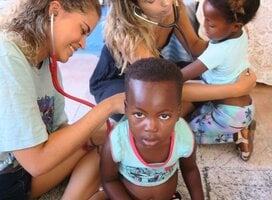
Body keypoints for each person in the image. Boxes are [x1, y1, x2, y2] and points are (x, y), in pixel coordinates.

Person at [0, 0, 124, 199]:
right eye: (83, 30)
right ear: (55, 11)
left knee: (108, 137)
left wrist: (96, 134)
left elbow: (59, 132)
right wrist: (108, 106)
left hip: (22, 177)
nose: (83, 44)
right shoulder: (6, 57)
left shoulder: (48, 63)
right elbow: (36, 162)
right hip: (8, 181)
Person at [89, 0, 256, 122]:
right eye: (151, 1)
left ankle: (185, 112)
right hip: (118, 81)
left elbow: (195, 45)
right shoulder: (128, 33)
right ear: (133, 4)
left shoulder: (174, 7)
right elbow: (163, 87)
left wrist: (227, 43)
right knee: (154, 106)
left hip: (157, 70)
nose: (166, 4)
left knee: (211, 75)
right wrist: (235, 89)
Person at [100, 57, 204, 200]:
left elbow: (190, 170)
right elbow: (109, 180)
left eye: (164, 116)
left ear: (178, 112)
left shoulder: (183, 136)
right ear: (126, 108)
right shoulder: (117, 142)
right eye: (139, 114)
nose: (151, 127)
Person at [180, 0, 260, 161]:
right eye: (205, 19)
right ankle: (243, 125)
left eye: (212, 24)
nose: (205, 26)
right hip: (241, 107)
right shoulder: (241, 33)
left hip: (230, 114)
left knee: (185, 135)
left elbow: (180, 76)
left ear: (236, 25)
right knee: (192, 113)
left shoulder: (218, 52)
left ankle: (237, 134)